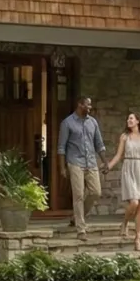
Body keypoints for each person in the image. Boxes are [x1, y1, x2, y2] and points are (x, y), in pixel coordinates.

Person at [106, 112, 140, 252]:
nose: (128, 120)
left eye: (131, 118)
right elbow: (119, 155)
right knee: (134, 202)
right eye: (128, 118)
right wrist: (109, 166)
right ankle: (124, 222)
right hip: (129, 168)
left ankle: (137, 239)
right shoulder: (124, 137)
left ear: (138, 121)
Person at [58, 96, 104, 235]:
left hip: (91, 162)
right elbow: (61, 147)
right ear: (80, 104)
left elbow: (99, 144)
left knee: (96, 192)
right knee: (78, 194)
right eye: (88, 105)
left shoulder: (93, 123)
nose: (90, 108)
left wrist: (105, 161)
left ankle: (75, 217)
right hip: (75, 162)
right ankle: (81, 228)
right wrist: (62, 167)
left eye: (90, 105)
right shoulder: (67, 123)